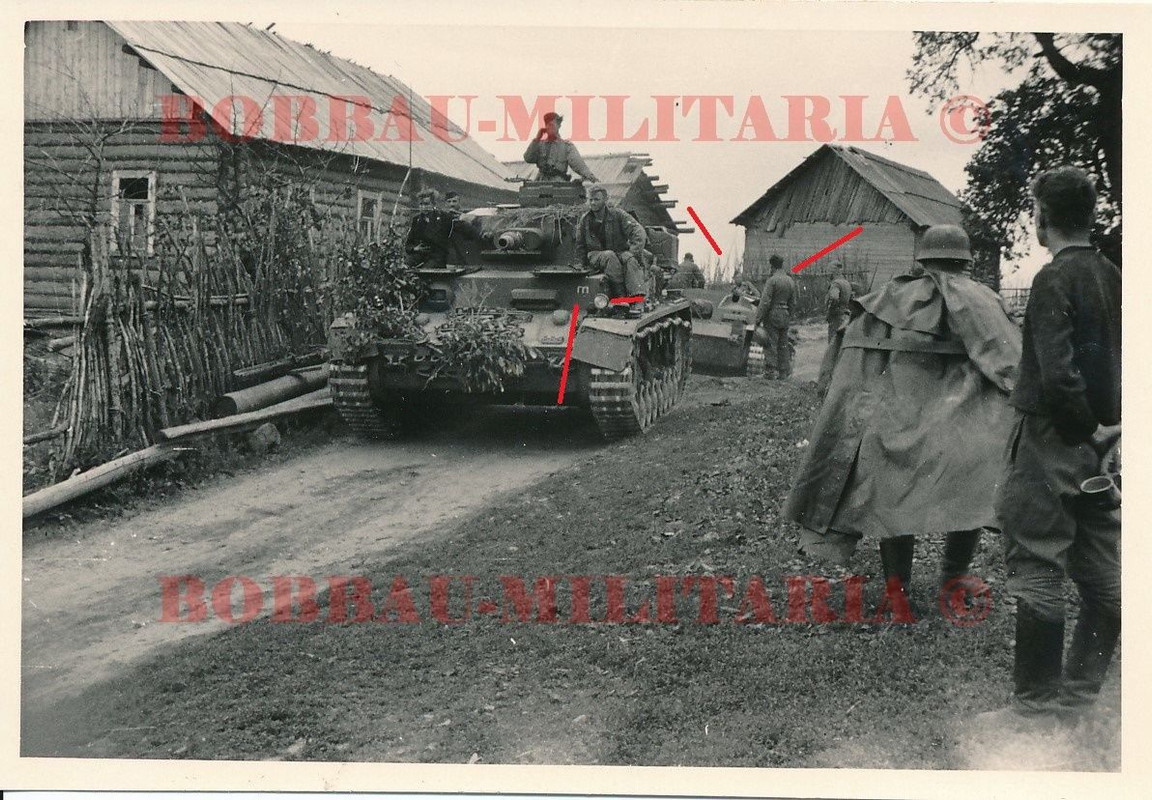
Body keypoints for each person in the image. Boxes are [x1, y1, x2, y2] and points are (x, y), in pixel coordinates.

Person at [785, 225, 1023, 597]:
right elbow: (1011, 365)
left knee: (890, 494)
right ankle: (952, 579)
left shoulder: (887, 299)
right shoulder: (984, 302)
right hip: (961, 430)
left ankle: (899, 589)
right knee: (972, 487)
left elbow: (852, 361)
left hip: (899, 425)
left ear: (923, 258)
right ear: (965, 260)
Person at [991, 167, 1121, 720]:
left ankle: (1036, 710)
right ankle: (1082, 697)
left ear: (1043, 219)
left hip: (1052, 441)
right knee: (1105, 571)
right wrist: (1110, 432)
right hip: (1101, 450)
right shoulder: (1113, 274)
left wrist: (1085, 427)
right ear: (1091, 216)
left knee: (1038, 565)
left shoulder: (1052, 280)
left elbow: (1056, 373)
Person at [574, 185, 649, 311]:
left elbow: (638, 231)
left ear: (605, 200)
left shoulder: (618, 215)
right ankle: (621, 296)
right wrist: (579, 263)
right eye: (590, 199)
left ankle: (637, 299)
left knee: (629, 258)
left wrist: (633, 251)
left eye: (596, 199)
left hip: (618, 251)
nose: (592, 202)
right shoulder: (585, 220)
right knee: (609, 255)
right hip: (595, 255)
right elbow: (580, 244)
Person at [523, 112, 598, 183]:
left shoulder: (566, 146)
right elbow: (528, 158)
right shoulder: (539, 145)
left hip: (559, 185)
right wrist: (537, 138)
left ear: (559, 126)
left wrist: (591, 177)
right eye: (548, 125)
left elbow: (579, 164)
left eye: (552, 125)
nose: (550, 128)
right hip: (540, 183)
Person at [756, 254, 797, 379]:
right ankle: (783, 372)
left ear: (772, 266)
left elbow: (765, 302)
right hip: (785, 314)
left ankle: (770, 371)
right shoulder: (790, 281)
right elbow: (793, 302)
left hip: (773, 314)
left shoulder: (772, 280)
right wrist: (789, 314)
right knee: (783, 343)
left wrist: (758, 318)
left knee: (770, 342)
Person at [404, 188, 457, 268]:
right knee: (403, 267)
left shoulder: (443, 217)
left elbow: (445, 239)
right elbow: (409, 243)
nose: (423, 207)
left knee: (425, 272)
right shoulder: (417, 219)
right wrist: (415, 249)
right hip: (419, 255)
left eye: (426, 204)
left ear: (433, 204)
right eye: (421, 204)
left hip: (436, 257)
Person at [825, 260, 854, 341]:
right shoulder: (846, 283)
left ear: (833, 272)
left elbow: (834, 297)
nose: (828, 275)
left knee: (833, 342)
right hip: (845, 316)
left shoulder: (836, 284)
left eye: (829, 272)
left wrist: (830, 312)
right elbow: (851, 298)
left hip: (836, 317)